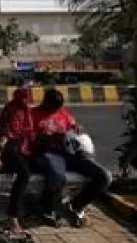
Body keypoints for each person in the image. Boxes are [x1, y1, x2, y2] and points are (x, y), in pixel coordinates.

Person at [31, 89, 112, 227]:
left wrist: (78, 131)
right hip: (49, 153)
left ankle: (76, 205)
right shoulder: (33, 115)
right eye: (54, 107)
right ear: (45, 102)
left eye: (58, 107)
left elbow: (74, 128)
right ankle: (47, 208)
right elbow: (30, 141)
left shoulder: (62, 113)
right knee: (57, 175)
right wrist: (51, 138)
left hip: (71, 153)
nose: (56, 110)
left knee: (104, 176)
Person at [0, 81, 34, 236]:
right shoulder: (11, 110)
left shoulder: (26, 110)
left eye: (27, 97)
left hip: (24, 149)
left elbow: (30, 131)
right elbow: (4, 134)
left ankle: (44, 206)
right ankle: (13, 217)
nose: (25, 100)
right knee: (24, 173)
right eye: (23, 97)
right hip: (10, 148)